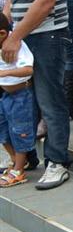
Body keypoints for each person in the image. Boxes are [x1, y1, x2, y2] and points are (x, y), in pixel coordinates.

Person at [0, 0, 71, 190]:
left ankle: (57, 161)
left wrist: (14, 37)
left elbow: (45, 2)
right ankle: (26, 158)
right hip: (25, 34)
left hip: (48, 35)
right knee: (24, 101)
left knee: (50, 100)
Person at [0, 13, 35, 188]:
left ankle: (18, 170)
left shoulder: (17, 45)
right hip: (4, 95)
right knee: (2, 129)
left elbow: (28, 70)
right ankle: (16, 160)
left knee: (20, 130)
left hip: (21, 95)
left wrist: (5, 73)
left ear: (2, 33)